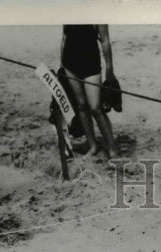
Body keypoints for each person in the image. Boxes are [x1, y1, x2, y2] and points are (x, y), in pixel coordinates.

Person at [60, 24, 117, 157]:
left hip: (91, 64)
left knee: (95, 108)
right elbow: (64, 38)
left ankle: (112, 145)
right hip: (70, 63)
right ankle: (93, 145)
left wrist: (109, 68)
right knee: (81, 106)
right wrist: (62, 65)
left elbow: (105, 41)